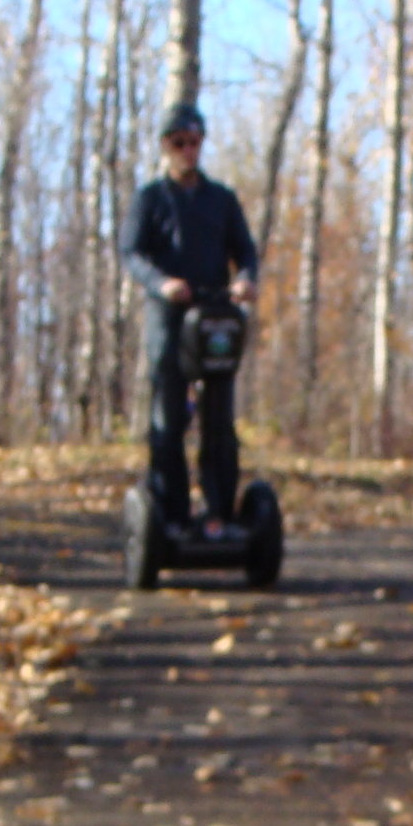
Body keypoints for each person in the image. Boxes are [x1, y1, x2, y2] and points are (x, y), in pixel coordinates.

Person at [121, 102, 260, 533]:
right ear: (165, 146)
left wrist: (246, 280)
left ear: (202, 144)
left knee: (219, 419)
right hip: (169, 319)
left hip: (215, 315)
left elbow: (247, 251)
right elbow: (131, 253)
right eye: (178, 143)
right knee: (168, 418)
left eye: (194, 142)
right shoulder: (150, 199)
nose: (187, 150)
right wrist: (160, 284)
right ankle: (173, 513)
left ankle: (219, 513)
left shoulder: (221, 199)